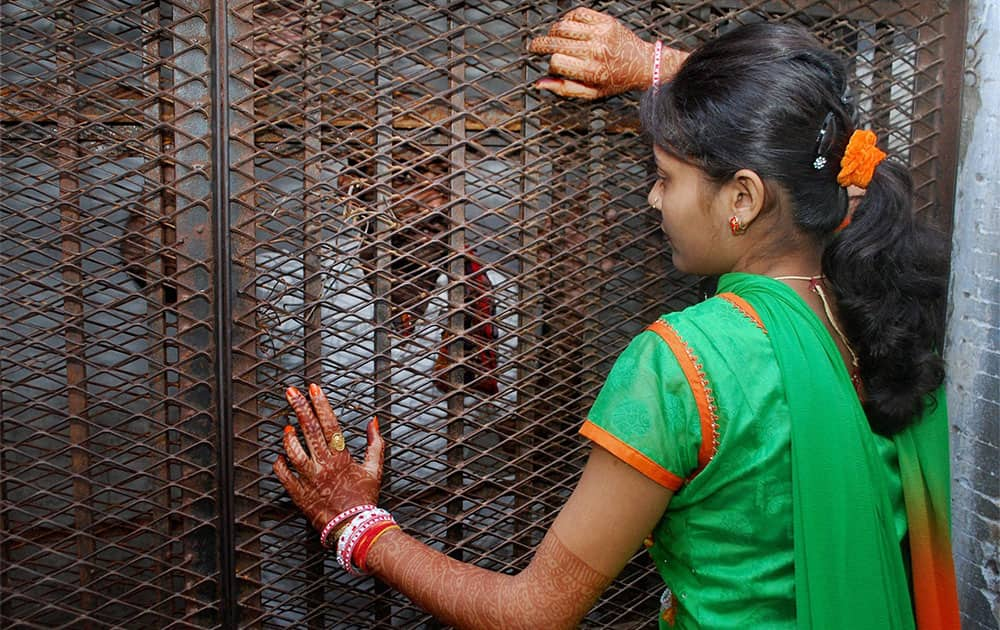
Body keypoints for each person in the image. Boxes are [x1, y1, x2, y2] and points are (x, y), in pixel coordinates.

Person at [274, 8, 960, 628]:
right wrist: (651, 68)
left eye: (664, 176)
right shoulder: (886, 316)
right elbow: (823, 145)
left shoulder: (684, 363)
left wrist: (355, 524)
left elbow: (533, 614)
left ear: (743, 199)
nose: (652, 201)